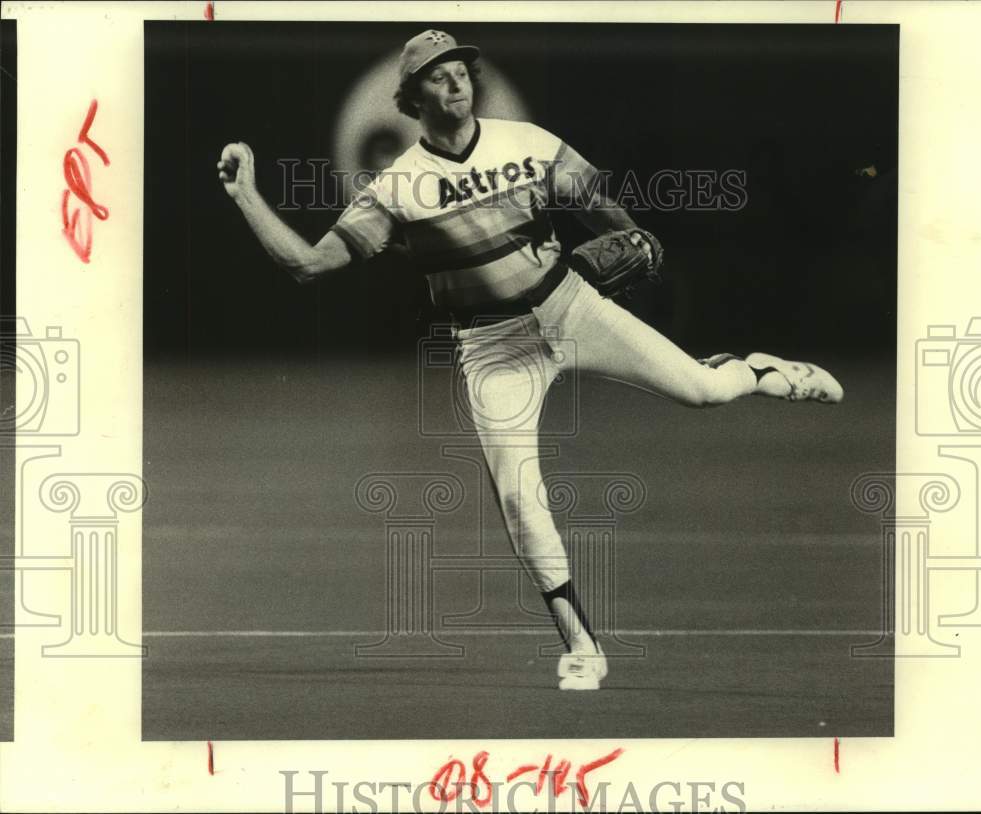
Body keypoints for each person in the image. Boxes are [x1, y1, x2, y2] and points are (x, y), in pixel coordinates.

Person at [217, 29, 843, 690]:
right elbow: (308, 265)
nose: (455, 81)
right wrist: (247, 196)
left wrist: (627, 233)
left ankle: (763, 370)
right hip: (493, 349)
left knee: (706, 391)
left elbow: (599, 205)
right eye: (437, 74)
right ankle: (581, 646)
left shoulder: (528, 142)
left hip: (570, 305)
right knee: (519, 499)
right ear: (409, 96)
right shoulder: (398, 188)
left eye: (460, 69)